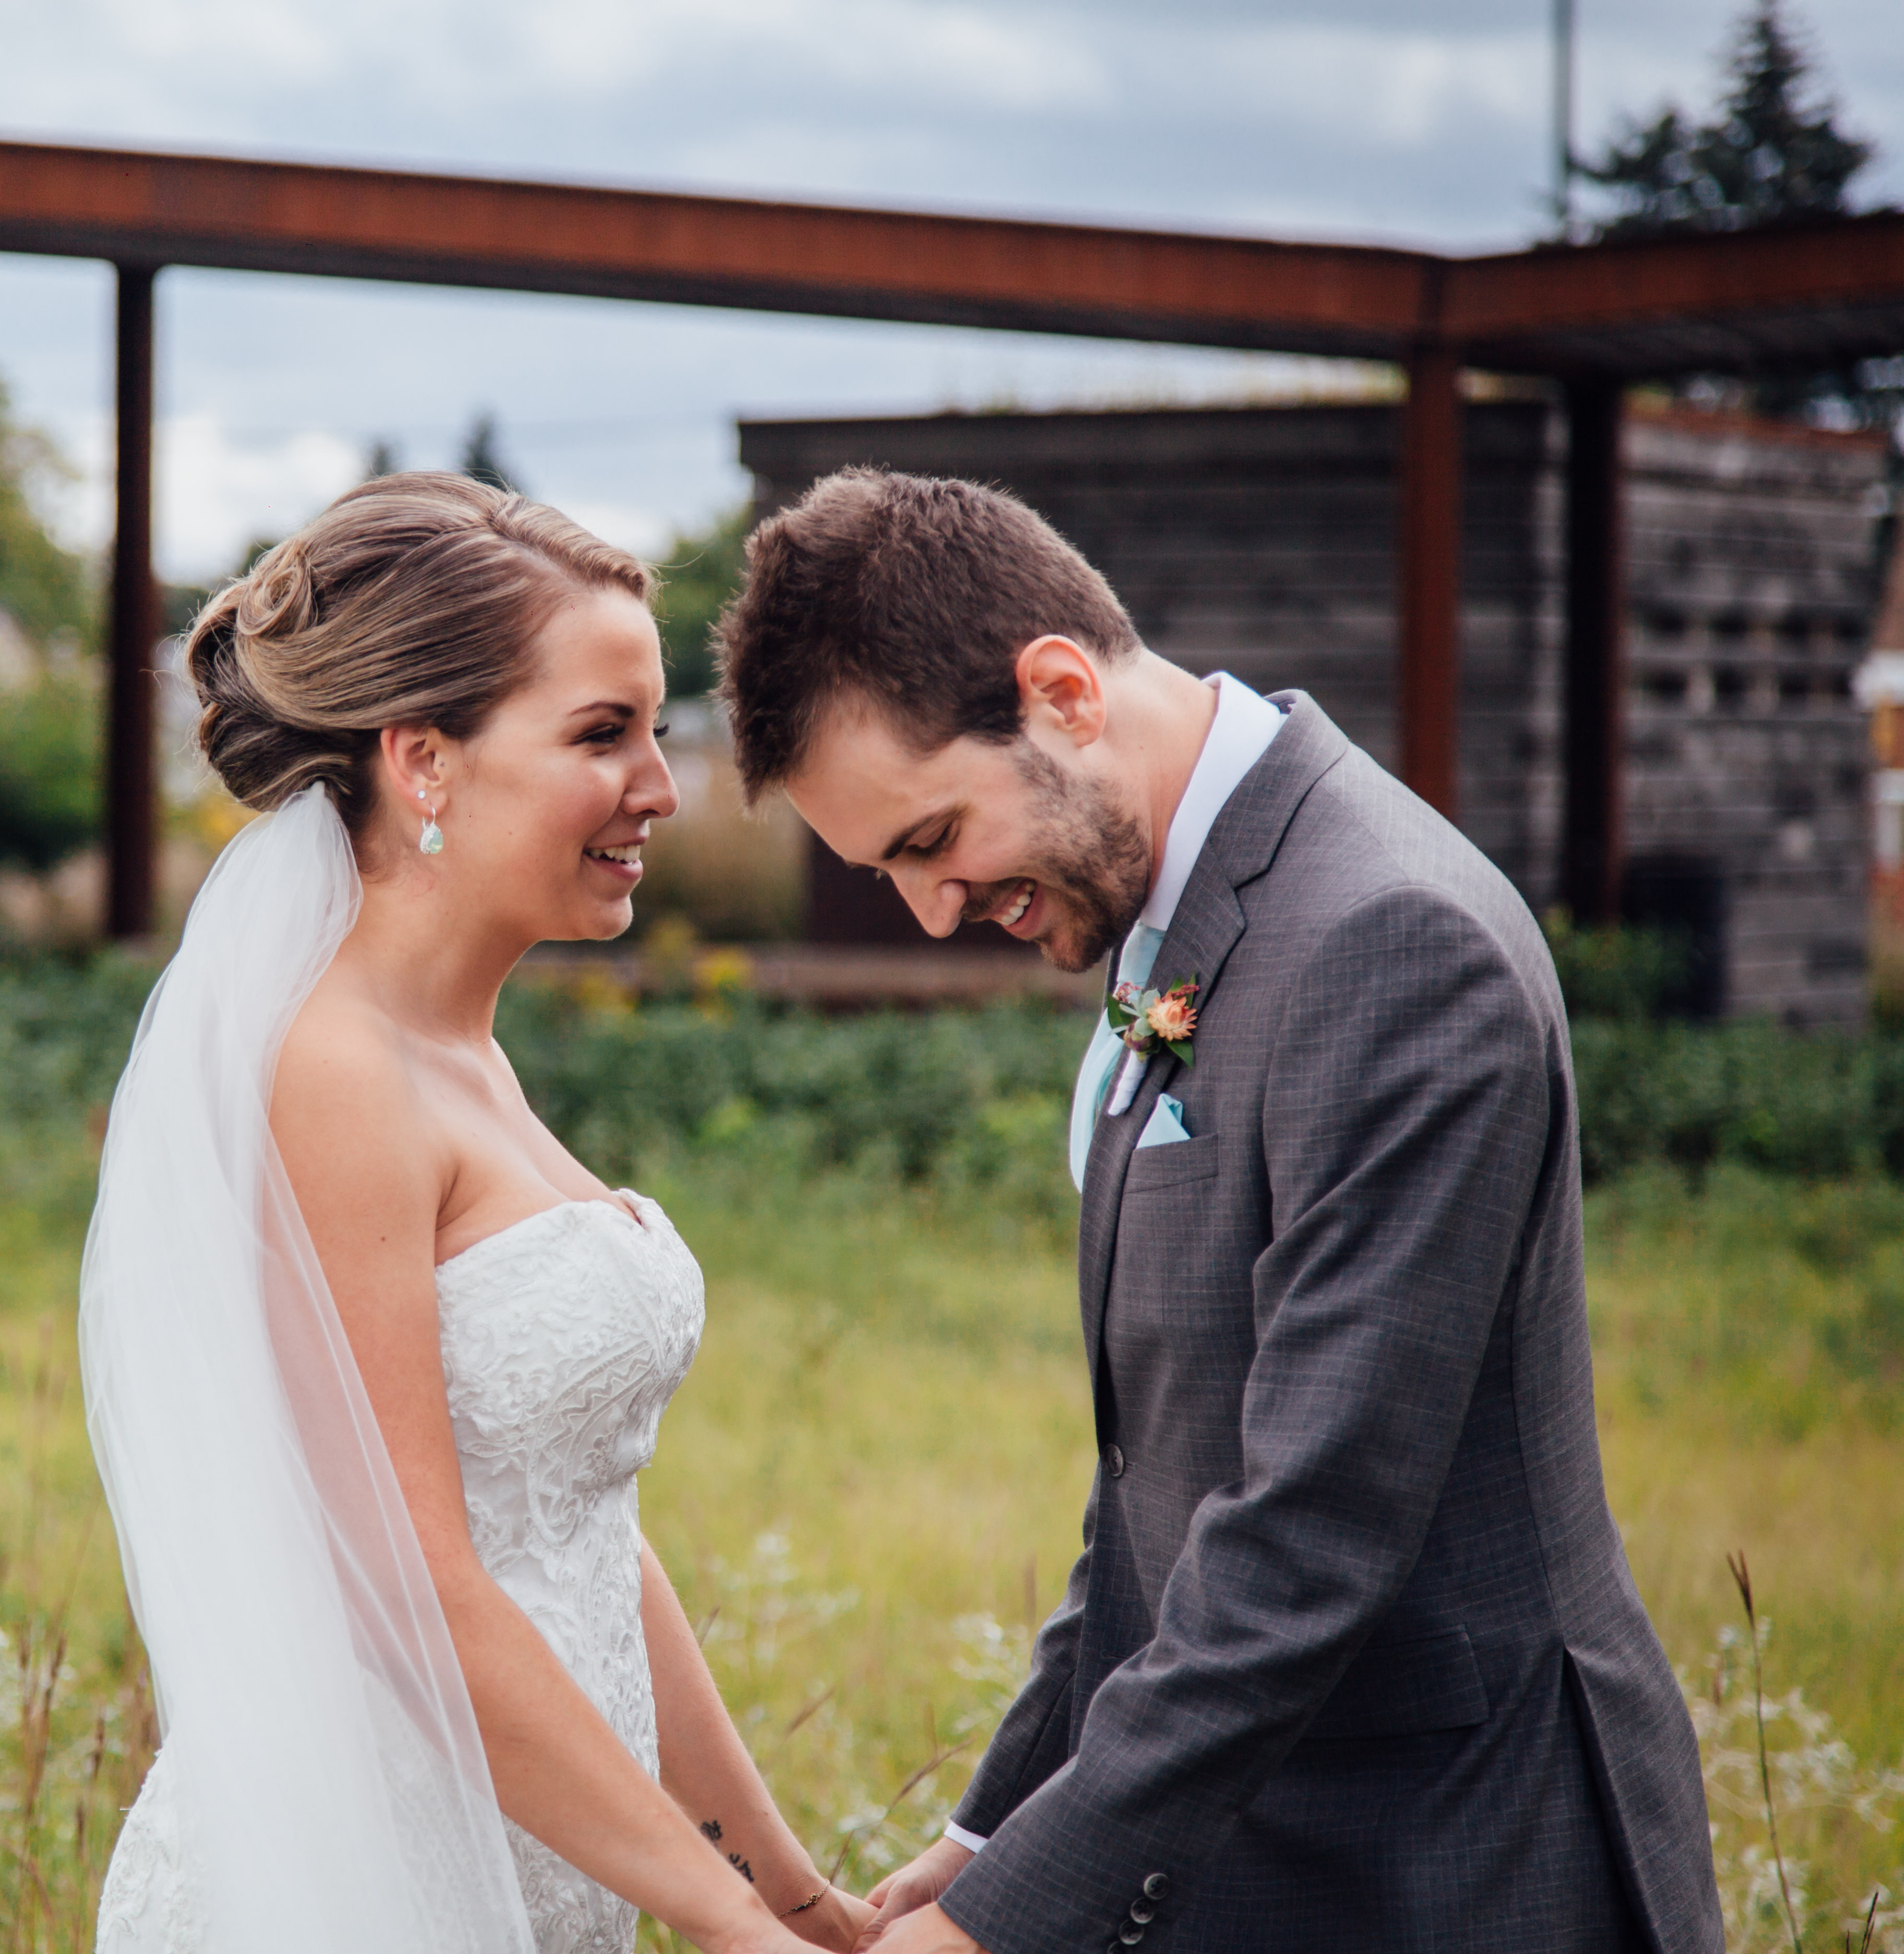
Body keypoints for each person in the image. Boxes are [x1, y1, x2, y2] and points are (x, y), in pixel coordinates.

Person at [712, 469, 1719, 1954]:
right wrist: (993, 1826)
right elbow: (1153, 1485)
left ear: (1059, 692)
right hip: (1266, 1848)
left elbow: (1309, 1534)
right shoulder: (1174, 910)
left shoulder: (1392, 944)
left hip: (1455, 1859)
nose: (933, 912)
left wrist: (993, 1927)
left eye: (930, 843)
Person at [82, 472, 874, 1954]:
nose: (661, 788)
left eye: (652, 730)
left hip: (544, 1859)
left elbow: (582, 1535)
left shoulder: (469, 1056)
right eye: (601, 734)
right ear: (422, 762)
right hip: (360, 1881)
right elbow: (417, 1587)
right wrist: (729, 1930)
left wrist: (799, 1900)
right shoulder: (333, 1075)